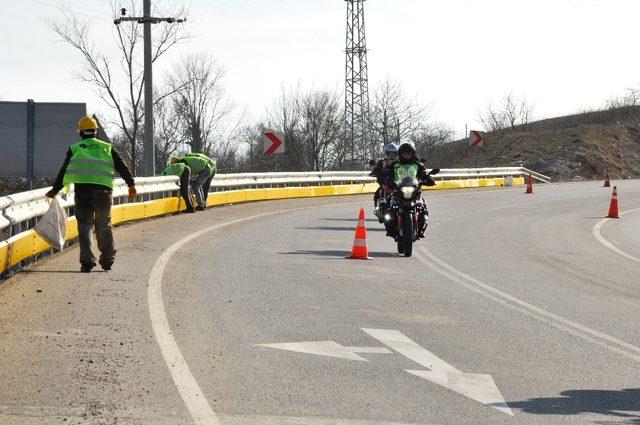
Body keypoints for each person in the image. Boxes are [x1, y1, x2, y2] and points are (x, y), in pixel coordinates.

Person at [46, 116, 136, 273]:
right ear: (96, 131)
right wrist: (131, 184)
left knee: (85, 227)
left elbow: (64, 171)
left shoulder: (75, 148)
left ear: (80, 132)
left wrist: (55, 190)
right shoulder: (107, 147)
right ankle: (107, 259)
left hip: (83, 193)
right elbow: (122, 166)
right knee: (103, 226)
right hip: (104, 192)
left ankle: (87, 262)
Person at [384, 141, 435, 238]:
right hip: (398, 190)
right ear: (400, 154)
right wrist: (387, 178)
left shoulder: (417, 165)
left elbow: (423, 174)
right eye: (404, 153)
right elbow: (389, 173)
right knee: (389, 208)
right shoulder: (395, 165)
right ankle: (390, 229)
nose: (406, 155)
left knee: (423, 207)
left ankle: (421, 227)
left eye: (408, 153)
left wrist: (428, 179)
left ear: (412, 153)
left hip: (414, 189)